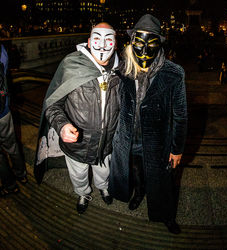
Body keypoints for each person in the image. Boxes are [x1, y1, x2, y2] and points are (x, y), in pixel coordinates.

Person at [108, 14, 188, 234]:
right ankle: (138, 193)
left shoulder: (173, 74)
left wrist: (177, 148)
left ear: (160, 44)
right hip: (129, 138)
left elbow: (180, 115)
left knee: (163, 181)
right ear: (132, 40)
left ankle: (166, 215)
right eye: (139, 44)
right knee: (135, 172)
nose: (144, 52)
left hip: (157, 141)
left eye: (151, 45)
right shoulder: (123, 69)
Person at [34, 22, 120, 214]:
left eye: (109, 40)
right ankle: (83, 193)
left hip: (106, 141)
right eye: (97, 39)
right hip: (78, 143)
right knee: (79, 173)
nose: (103, 45)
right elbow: (53, 103)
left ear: (115, 43)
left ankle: (103, 187)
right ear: (89, 42)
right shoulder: (71, 64)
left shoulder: (121, 70)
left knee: (103, 170)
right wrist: (62, 125)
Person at [0, 44, 27, 197]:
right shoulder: (2, 50)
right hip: (3, 111)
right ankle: (21, 174)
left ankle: (10, 186)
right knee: (12, 145)